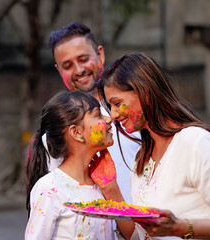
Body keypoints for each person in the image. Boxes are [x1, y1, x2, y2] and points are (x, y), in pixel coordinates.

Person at [90, 52, 210, 240]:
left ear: (145, 92)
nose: (114, 115)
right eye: (111, 107)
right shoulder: (141, 158)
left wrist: (179, 227)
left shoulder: (196, 142)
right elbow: (139, 236)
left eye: (117, 103)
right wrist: (111, 189)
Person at [48, 21, 140, 204]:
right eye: (68, 66)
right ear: (59, 71)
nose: (79, 70)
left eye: (83, 59)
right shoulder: (57, 132)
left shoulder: (132, 111)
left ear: (100, 54)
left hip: (142, 227)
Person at [24, 91, 117, 239]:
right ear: (76, 132)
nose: (109, 118)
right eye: (98, 115)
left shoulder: (101, 184)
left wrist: (111, 188)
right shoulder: (50, 189)